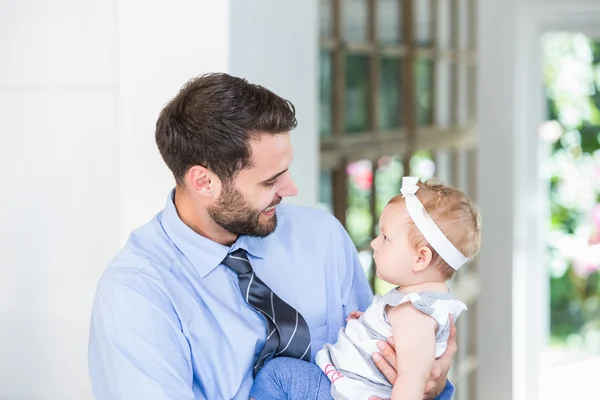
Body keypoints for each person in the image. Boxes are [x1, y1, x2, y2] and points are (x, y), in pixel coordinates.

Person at [88, 73, 456, 399]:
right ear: (204, 181)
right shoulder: (136, 296)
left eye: (287, 170)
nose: (292, 188)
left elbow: (384, 360)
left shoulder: (321, 237)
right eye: (270, 180)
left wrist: (428, 382)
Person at [250, 177, 481, 400]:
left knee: (278, 375)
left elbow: (413, 379)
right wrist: (367, 324)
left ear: (421, 258)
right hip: (347, 386)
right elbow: (396, 342)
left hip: (344, 392)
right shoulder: (414, 302)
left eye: (385, 237)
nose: (374, 243)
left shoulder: (415, 312)